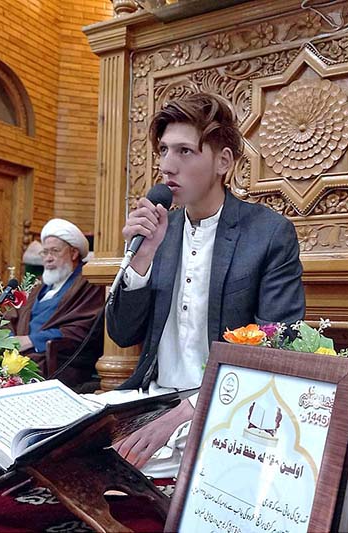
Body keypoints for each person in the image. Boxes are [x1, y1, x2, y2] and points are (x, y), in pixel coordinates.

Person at [106, 92, 305, 476]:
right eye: (163, 151)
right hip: (148, 402)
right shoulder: (159, 233)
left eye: (184, 152)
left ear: (223, 161)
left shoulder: (268, 233)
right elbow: (122, 332)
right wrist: (142, 260)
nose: (166, 166)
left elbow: (279, 346)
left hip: (223, 407)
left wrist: (188, 411)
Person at [5, 218, 104, 385]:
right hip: (21, 356)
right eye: (45, 252)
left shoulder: (88, 284)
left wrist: (32, 341)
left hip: (60, 361)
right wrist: (8, 340)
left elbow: (84, 328)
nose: (48, 258)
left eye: (55, 251)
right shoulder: (39, 286)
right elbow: (13, 315)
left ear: (73, 253)